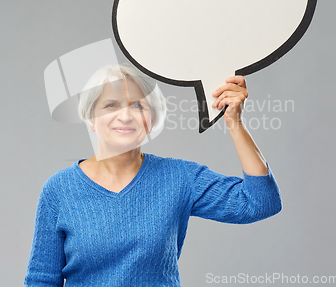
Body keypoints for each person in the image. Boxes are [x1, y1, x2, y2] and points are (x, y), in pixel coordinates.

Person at [24, 64, 282, 287]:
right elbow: (42, 281)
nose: (125, 116)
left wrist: (234, 123)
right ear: (91, 118)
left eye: (138, 105)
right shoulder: (59, 190)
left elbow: (260, 203)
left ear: (152, 118)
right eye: (111, 105)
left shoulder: (179, 177)